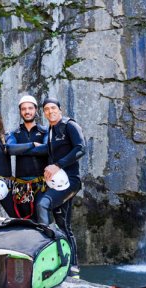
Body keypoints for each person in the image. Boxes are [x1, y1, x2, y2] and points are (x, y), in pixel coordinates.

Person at [36, 97, 86, 278]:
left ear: (60, 110)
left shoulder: (70, 125)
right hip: (57, 182)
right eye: (47, 109)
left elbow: (81, 148)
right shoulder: (49, 130)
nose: (50, 111)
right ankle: (71, 266)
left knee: (42, 204)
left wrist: (57, 165)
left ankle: (44, 252)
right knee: (63, 223)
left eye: (53, 108)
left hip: (71, 181)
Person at [9, 95, 48, 220]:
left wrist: (20, 149)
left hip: (41, 185)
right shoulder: (14, 133)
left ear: (36, 110)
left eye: (30, 108)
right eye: (24, 109)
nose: (27, 111)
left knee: (42, 221)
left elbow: (46, 149)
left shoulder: (44, 131)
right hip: (21, 186)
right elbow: (10, 149)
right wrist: (32, 145)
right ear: (20, 111)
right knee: (24, 223)